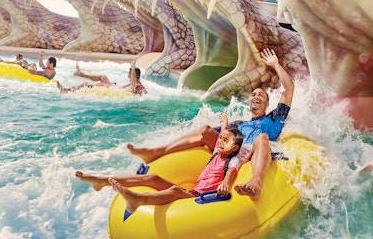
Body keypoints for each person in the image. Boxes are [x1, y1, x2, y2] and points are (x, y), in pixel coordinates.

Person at [125, 47, 293, 199]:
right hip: (233, 152)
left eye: (261, 96)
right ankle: (156, 152)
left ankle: (256, 181)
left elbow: (289, 88)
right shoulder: (240, 124)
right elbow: (217, 136)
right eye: (254, 95)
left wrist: (275, 65)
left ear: (267, 103)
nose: (256, 96)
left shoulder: (275, 117)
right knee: (205, 130)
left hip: (252, 155)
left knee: (262, 137)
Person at [76, 123, 244, 212]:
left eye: (225, 141)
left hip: (199, 198)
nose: (220, 142)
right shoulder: (216, 151)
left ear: (235, 148)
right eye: (220, 139)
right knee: (152, 178)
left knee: (176, 191)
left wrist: (226, 184)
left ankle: (138, 200)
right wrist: (225, 123)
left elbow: (231, 173)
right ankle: (101, 181)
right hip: (192, 192)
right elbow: (221, 134)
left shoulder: (232, 160)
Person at [56, 62, 147, 96]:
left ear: (133, 76)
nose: (128, 76)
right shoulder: (138, 85)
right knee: (103, 76)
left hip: (112, 90)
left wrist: (133, 65)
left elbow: (134, 87)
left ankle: (66, 90)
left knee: (86, 84)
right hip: (113, 87)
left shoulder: (137, 86)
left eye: (129, 74)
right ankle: (80, 73)